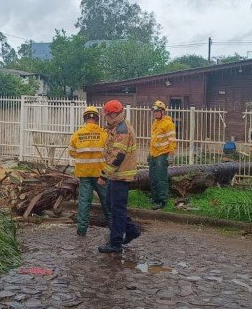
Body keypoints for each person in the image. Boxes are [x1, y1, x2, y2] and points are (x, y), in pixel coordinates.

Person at [97, 99, 141, 254]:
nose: (106, 118)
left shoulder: (122, 130)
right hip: (117, 175)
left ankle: (115, 243)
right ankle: (131, 230)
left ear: (114, 114)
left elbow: (118, 156)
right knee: (112, 205)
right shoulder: (118, 127)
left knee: (117, 209)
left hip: (120, 175)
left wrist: (103, 175)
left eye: (107, 115)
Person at [68, 106, 112, 236]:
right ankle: (113, 230)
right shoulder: (104, 134)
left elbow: (72, 153)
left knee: (84, 203)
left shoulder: (77, 135)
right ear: (97, 118)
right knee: (107, 203)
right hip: (101, 175)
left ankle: (82, 231)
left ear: (85, 118)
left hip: (84, 174)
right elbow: (110, 152)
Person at [148, 100, 176, 210]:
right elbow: (153, 140)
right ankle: (155, 198)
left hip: (162, 155)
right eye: (154, 111)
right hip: (154, 155)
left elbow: (172, 140)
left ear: (163, 112)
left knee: (161, 179)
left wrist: (171, 154)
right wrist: (149, 153)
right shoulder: (155, 123)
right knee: (153, 178)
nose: (154, 113)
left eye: (157, 111)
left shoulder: (168, 124)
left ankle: (162, 201)